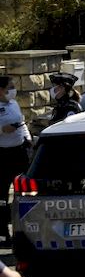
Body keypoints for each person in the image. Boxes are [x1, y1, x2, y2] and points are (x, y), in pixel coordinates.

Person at [0, 77, 31, 247]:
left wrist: (27, 138)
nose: (13, 90)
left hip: (18, 152)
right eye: (10, 87)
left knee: (25, 191)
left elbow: (21, 121)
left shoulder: (14, 104)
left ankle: (26, 229)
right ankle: (3, 234)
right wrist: (2, 130)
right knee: (2, 197)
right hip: (2, 155)